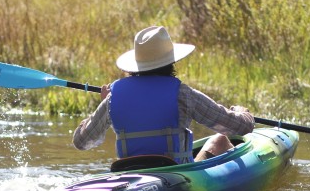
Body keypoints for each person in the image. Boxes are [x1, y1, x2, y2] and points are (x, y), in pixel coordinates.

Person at [72, 25, 254, 164]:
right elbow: (238, 128)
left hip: (130, 176)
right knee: (220, 140)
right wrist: (243, 113)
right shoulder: (183, 94)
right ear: (171, 62)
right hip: (175, 174)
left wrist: (105, 105)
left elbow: (81, 142)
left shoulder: (113, 98)